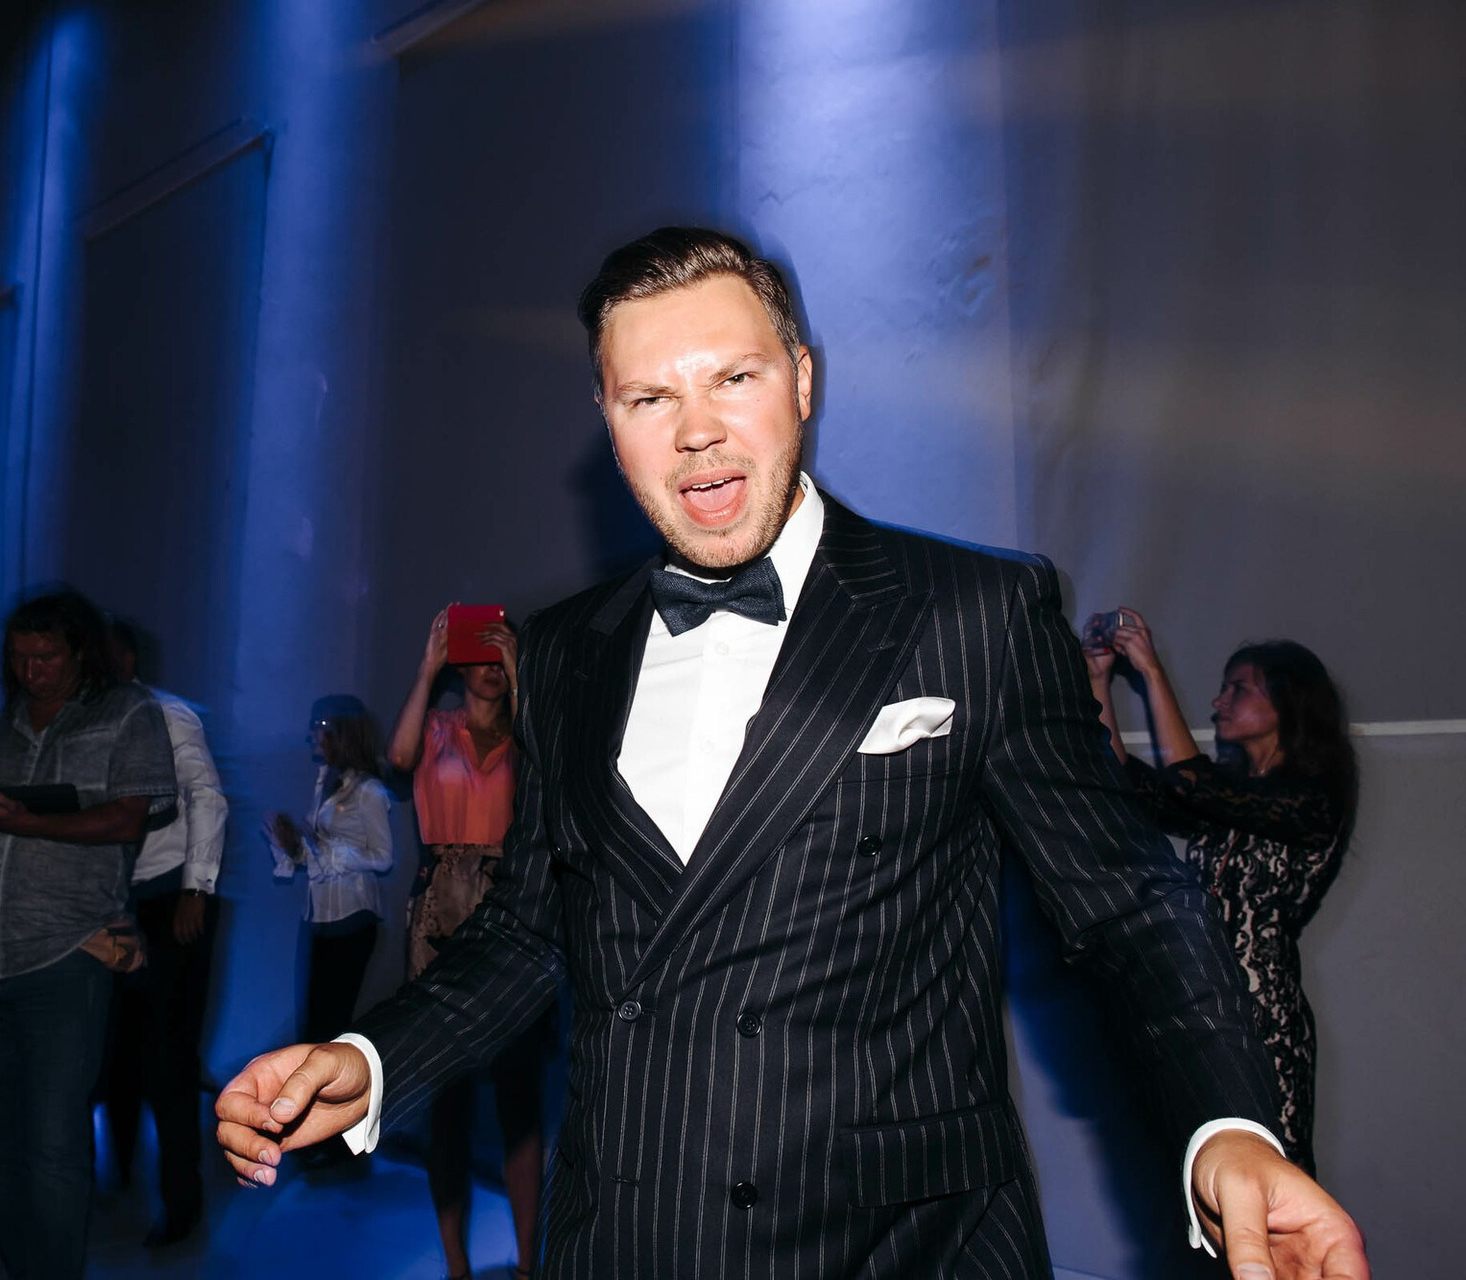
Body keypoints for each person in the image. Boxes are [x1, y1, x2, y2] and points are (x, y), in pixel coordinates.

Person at [217, 228, 1369, 1279]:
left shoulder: (972, 610)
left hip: (897, 1245)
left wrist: (1230, 1127)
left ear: (803, 379)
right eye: (650, 396)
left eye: (736, 377)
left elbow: (1130, 907)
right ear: (608, 419)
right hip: (624, 1234)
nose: (697, 429)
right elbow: (528, 929)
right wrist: (372, 1054)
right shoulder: (562, 650)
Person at [0, 589, 177, 1280]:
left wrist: (26, 822)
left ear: (80, 652)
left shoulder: (127, 713)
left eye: (45, 656)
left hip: (66, 953)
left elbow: (128, 819)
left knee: (54, 1145)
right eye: (19, 657)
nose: (31, 671)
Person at [1084, 612, 1357, 1176]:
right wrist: (1097, 677)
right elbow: (1116, 779)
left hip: (1264, 1016)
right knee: (1201, 1178)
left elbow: (1193, 781)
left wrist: (1152, 670)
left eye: (1239, 689)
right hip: (1201, 1006)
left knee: (1278, 1178)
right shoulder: (1225, 799)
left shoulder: (1311, 801)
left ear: (1288, 703)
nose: (1219, 702)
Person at [388, 607, 540, 1280]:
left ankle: (530, 1263)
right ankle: (456, 1266)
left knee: (518, 1096)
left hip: (512, 910)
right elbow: (398, 759)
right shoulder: (438, 729)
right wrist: (428, 668)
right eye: (475, 654)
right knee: (445, 1097)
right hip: (441, 916)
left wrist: (521, 677)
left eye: (497, 653)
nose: (487, 668)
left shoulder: (528, 735)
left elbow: (552, 773)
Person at [98, 618, 230, 1247]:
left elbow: (206, 797)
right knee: (115, 1050)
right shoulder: (88, 726)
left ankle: (181, 1207)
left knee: (168, 1060)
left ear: (125, 658)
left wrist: (195, 890)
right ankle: (120, 1174)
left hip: (170, 899)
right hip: (114, 905)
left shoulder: (167, 714)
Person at [267, 695, 393, 1048]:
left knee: (330, 1027)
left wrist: (330, 851)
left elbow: (383, 857)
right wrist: (292, 845)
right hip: (318, 919)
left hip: (352, 921)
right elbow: (318, 854)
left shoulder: (369, 790)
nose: (312, 734)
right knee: (312, 1025)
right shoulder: (327, 782)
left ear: (343, 732)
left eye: (319, 725)